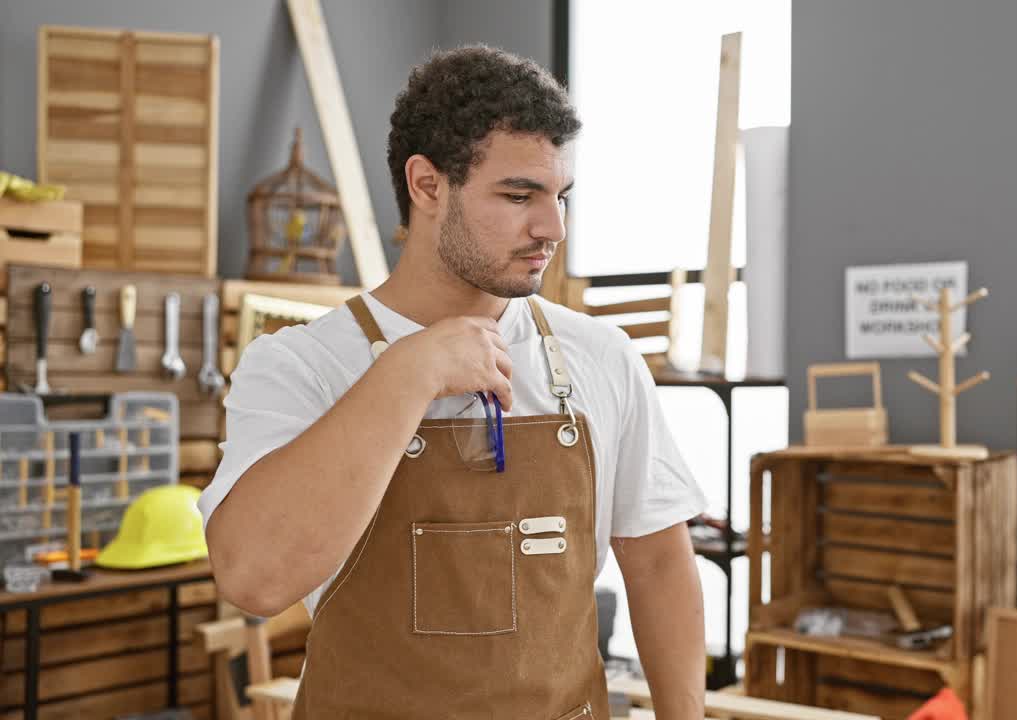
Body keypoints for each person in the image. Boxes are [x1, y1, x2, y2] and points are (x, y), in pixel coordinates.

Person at [200, 45, 709, 718]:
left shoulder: (601, 357)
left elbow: (661, 568)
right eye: (519, 194)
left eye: (560, 197)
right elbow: (255, 579)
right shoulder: (300, 364)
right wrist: (407, 374)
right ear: (428, 185)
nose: (552, 227)